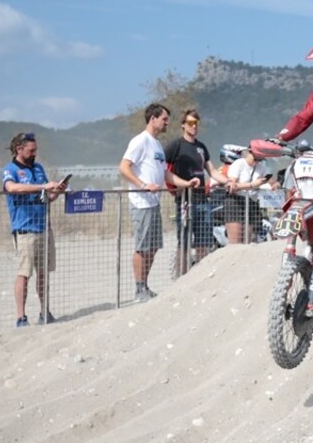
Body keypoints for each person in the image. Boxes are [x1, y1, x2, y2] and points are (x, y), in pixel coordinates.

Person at [119, 104, 190, 302]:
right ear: (153, 119)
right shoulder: (140, 141)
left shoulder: (157, 145)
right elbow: (124, 167)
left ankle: (145, 285)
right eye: (164, 119)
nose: (167, 123)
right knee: (142, 246)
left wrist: (186, 183)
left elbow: (164, 172)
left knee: (154, 246)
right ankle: (138, 288)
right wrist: (142, 184)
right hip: (141, 202)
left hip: (154, 202)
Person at [1, 131, 68, 327]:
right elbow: (12, 188)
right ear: (19, 149)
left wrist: (57, 190)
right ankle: (21, 317)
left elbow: (47, 196)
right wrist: (43, 187)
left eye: (36, 150)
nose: (34, 154)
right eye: (31, 150)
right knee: (24, 273)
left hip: (44, 227)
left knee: (43, 272)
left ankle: (44, 311)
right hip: (25, 229)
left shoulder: (38, 168)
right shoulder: (10, 169)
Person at [163, 110, 226, 274]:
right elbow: (160, 167)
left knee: (203, 241)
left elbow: (212, 171)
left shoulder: (201, 147)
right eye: (190, 123)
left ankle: (200, 276)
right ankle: (180, 277)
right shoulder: (175, 145)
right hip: (184, 201)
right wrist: (176, 186)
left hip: (202, 200)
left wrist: (229, 181)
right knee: (183, 241)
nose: (194, 126)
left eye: (196, 123)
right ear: (183, 125)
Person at [222, 146, 277, 244]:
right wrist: (252, 185)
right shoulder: (238, 164)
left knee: (247, 239)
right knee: (235, 241)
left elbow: (272, 180)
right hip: (236, 201)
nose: (256, 161)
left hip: (251, 202)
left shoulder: (260, 167)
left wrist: (275, 185)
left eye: (259, 159)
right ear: (249, 153)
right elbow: (232, 186)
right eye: (255, 158)